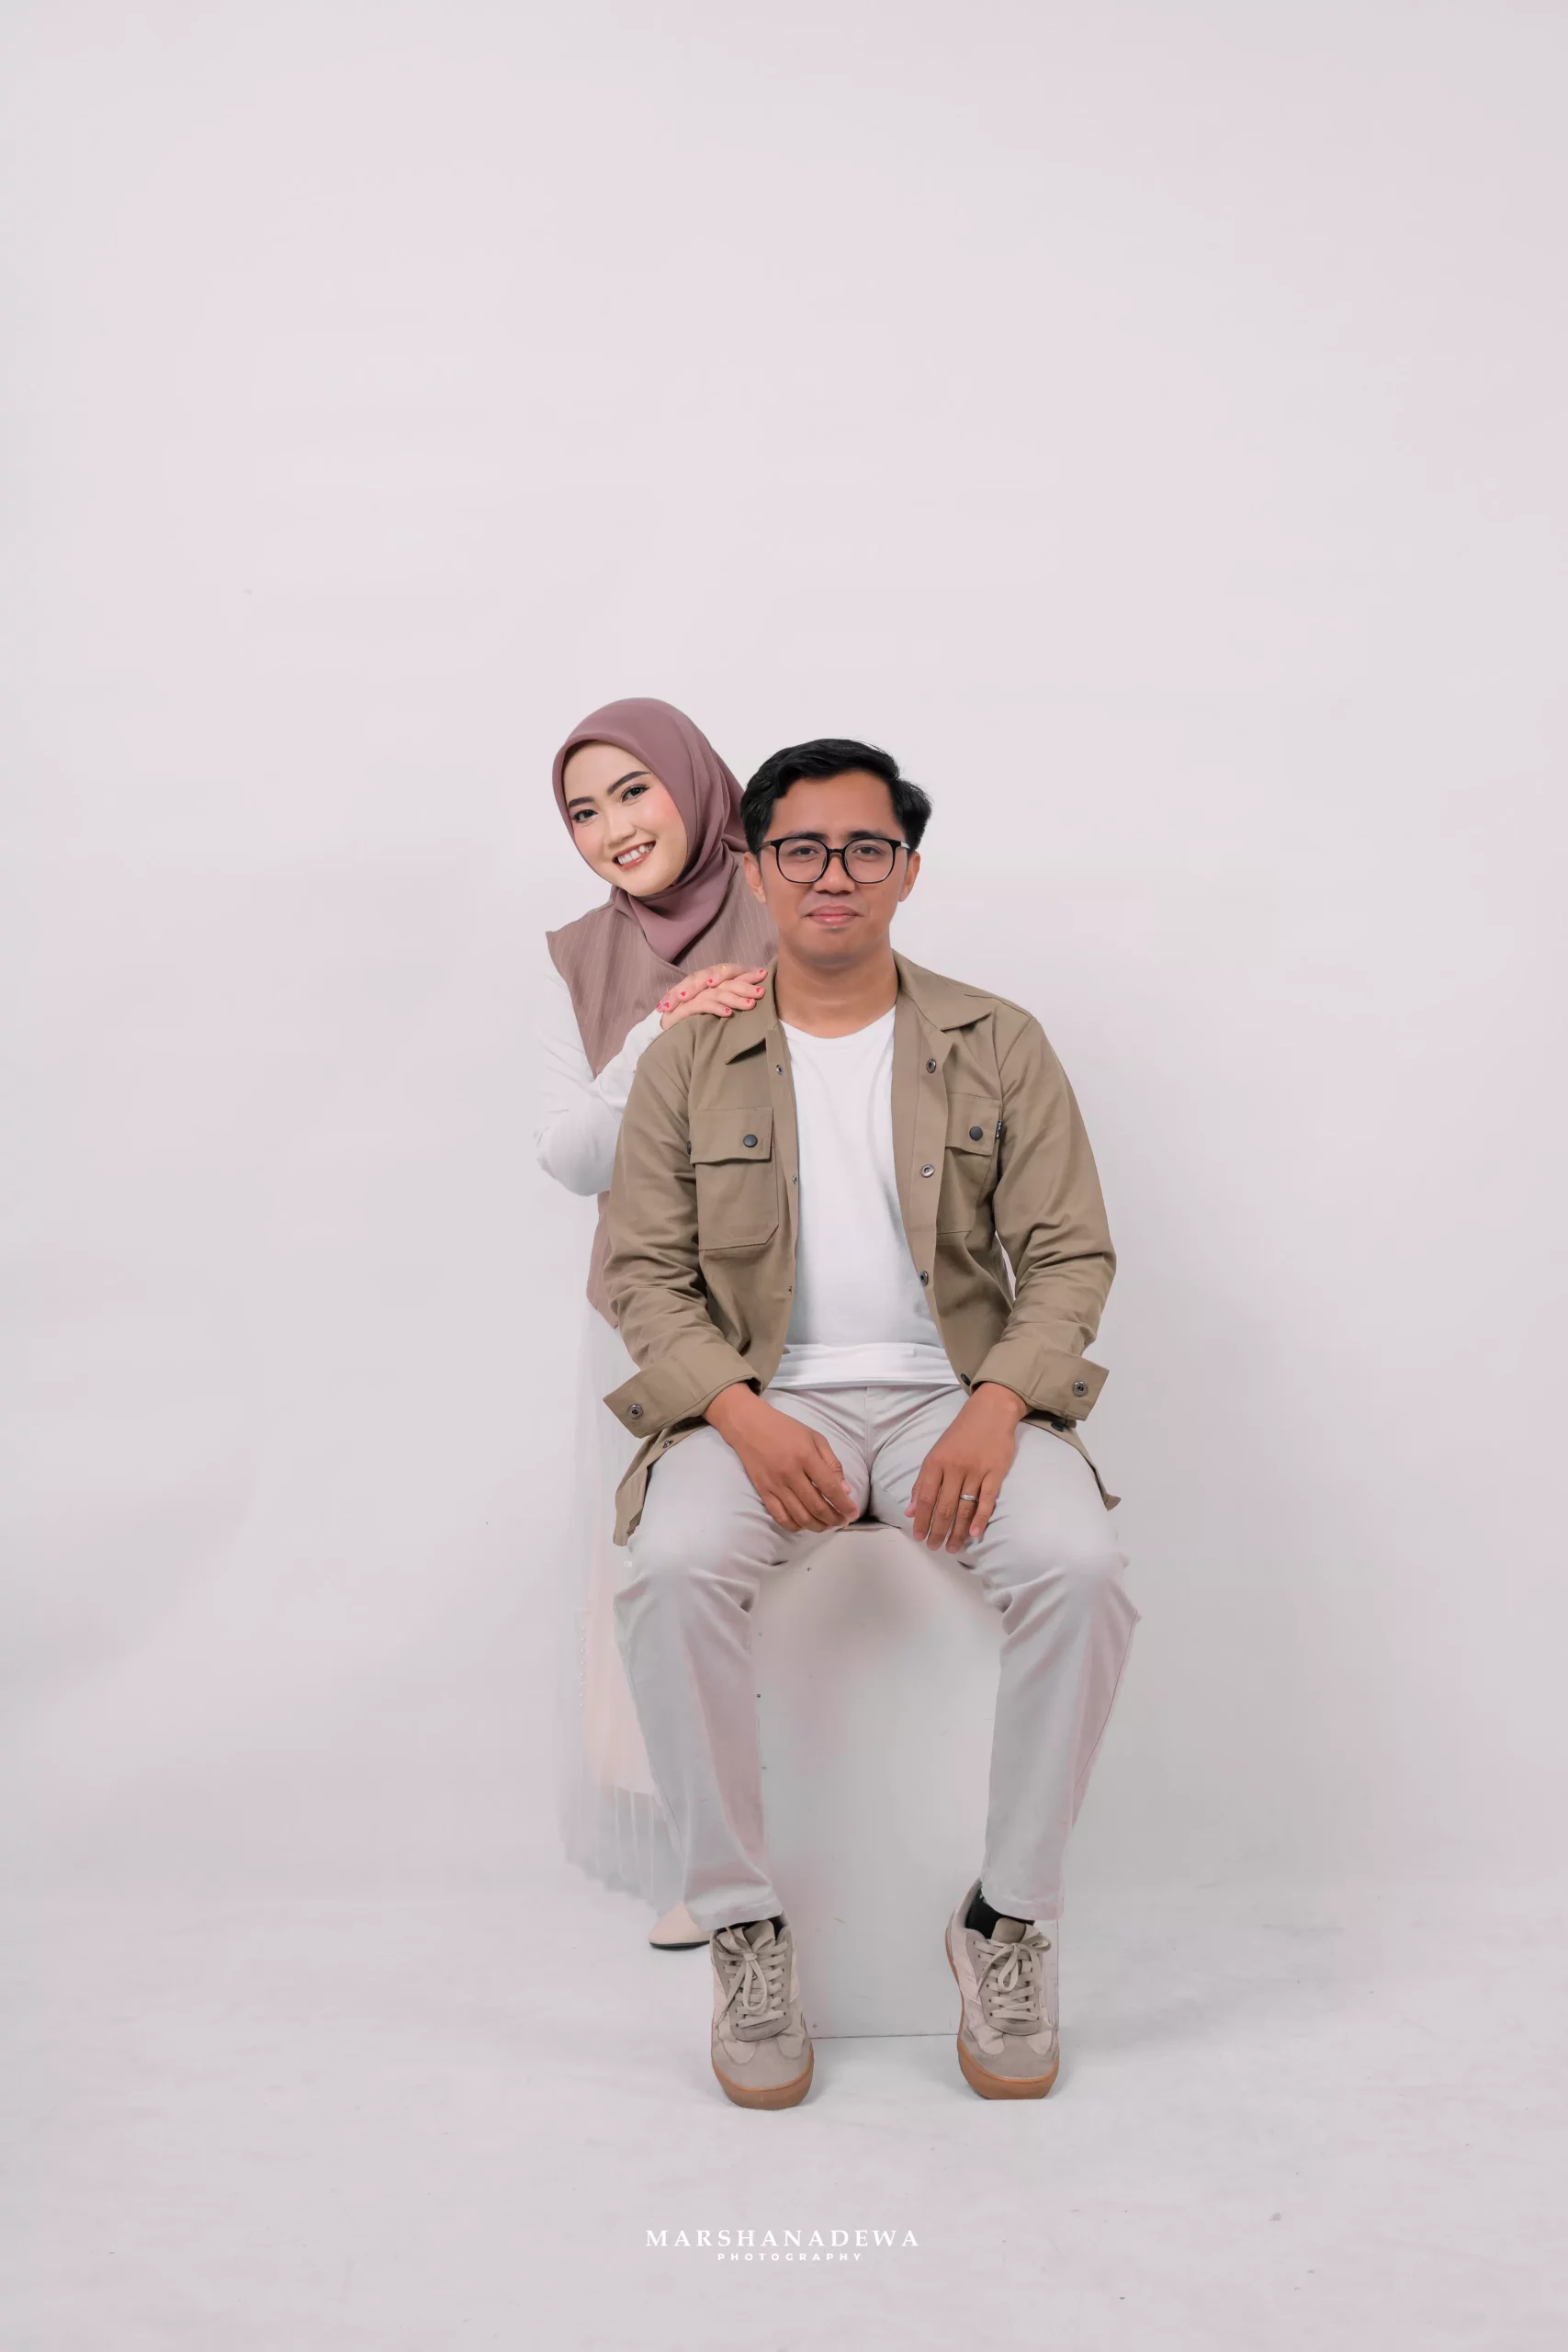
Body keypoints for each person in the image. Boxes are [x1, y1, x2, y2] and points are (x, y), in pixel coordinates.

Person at [601, 738, 1140, 2106]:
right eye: (801, 848)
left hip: (955, 1401)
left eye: (865, 848)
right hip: (759, 1404)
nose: (832, 873)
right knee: (668, 1569)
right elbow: (642, 1274)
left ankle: (1007, 1921)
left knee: (1081, 1569)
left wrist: (997, 1406)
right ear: (755, 868)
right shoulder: (689, 1056)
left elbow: (1069, 1254)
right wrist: (738, 1413)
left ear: (906, 870)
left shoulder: (995, 1040)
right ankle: (742, 1924)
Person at [536, 696, 774, 1950]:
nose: (613, 828)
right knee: (658, 1567)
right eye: (583, 811)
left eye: (634, 790)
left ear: (694, 782)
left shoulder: (791, 888)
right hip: (642, 1306)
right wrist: (654, 1040)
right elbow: (570, 1155)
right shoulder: (584, 955)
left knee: (793, 1565)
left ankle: (842, 1833)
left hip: (797, 1300)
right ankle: (707, 1856)